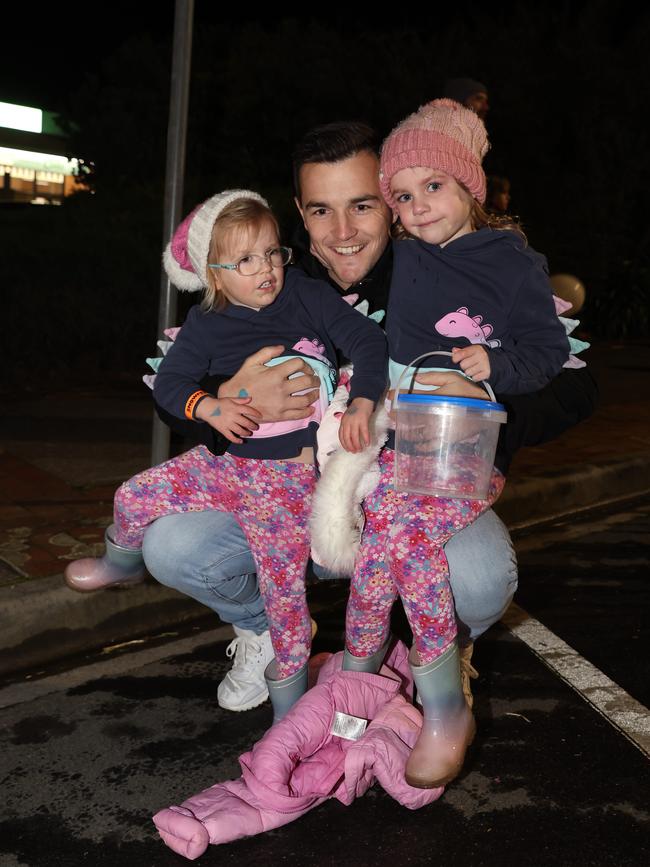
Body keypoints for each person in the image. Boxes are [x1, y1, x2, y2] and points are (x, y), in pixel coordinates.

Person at [140, 121, 596, 716]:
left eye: (363, 205)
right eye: (322, 211)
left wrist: (478, 399)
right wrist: (227, 399)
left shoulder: (443, 269)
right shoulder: (270, 281)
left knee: (481, 578)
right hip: (289, 504)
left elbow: (578, 384)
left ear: (393, 203)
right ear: (299, 215)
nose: (344, 232)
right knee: (172, 542)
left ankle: (435, 649)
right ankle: (263, 632)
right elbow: (173, 379)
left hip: (413, 501)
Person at [64, 189, 387, 721]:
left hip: (285, 484)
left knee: (285, 604)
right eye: (245, 261)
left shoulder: (306, 295)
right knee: (133, 494)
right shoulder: (208, 323)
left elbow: (370, 343)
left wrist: (363, 403)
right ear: (215, 276)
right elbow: (170, 386)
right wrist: (210, 407)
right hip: (223, 466)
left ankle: (290, 715)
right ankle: (118, 563)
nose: (265, 269)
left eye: (271, 252)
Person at [332, 98, 570, 789]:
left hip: (462, 454)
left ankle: (442, 710)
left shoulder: (513, 262)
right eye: (402, 196)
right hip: (397, 452)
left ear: (470, 184)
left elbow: (547, 350)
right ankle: (355, 688)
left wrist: (496, 367)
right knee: (379, 551)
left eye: (433, 186)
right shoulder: (401, 258)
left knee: (412, 553)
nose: (418, 206)